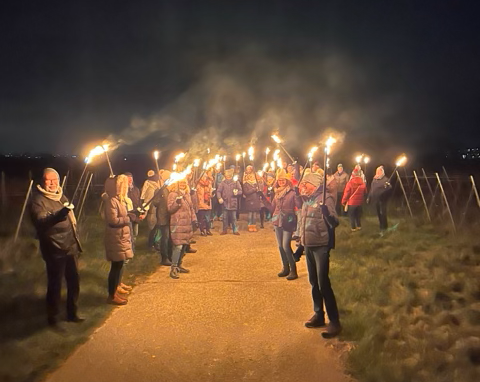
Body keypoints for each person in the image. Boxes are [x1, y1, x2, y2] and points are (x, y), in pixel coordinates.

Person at [30, 168, 83, 329]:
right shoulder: (38, 200)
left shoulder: (61, 196)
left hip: (70, 246)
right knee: (55, 284)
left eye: (55, 180)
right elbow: (42, 221)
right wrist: (61, 213)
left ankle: (72, 313)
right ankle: (53, 318)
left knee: (74, 282)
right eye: (49, 180)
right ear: (43, 181)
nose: (53, 183)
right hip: (54, 248)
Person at [298, 172, 341, 338]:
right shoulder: (307, 200)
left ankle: (335, 322)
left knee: (323, 283)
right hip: (309, 244)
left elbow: (334, 222)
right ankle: (319, 315)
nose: (303, 187)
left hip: (321, 245)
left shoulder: (326, 198)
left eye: (306, 184)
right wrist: (301, 244)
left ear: (314, 184)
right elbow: (303, 223)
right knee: (314, 282)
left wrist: (327, 213)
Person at [103, 174, 138, 305]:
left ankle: (115, 290)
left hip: (120, 237)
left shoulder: (118, 200)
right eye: (123, 184)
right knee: (115, 266)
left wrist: (131, 214)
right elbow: (112, 220)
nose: (126, 187)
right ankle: (111, 295)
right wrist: (128, 219)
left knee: (118, 265)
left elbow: (121, 214)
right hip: (115, 237)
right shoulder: (112, 201)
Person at [262, 169, 300, 280]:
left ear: (287, 181)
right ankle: (285, 268)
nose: (281, 182)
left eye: (283, 180)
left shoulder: (292, 193)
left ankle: (293, 270)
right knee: (280, 246)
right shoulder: (277, 193)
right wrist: (263, 199)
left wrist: (298, 195)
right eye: (279, 180)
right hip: (277, 219)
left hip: (288, 219)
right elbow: (272, 208)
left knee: (285, 246)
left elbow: (298, 205)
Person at [167, 177, 198, 279]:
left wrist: (194, 220)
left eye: (184, 183)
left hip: (187, 224)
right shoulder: (173, 194)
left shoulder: (187, 194)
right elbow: (170, 209)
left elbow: (191, 208)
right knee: (178, 246)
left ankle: (179, 264)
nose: (182, 184)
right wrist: (177, 202)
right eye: (180, 183)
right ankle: (174, 268)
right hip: (178, 224)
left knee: (184, 245)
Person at [151, 170, 173, 265]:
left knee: (170, 238)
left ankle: (170, 256)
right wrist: (159, 196)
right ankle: (164, 258)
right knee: (165, 238)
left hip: (169, 217)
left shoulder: (169, 189)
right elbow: (155, 203)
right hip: (162, 217)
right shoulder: (159, 190)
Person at [217, 168, 243, 235]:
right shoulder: (223, 183)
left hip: (233, 202)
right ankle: (224, 230)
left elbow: (240, 191)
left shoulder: (236, 182)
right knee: (225, 218)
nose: (228, 177)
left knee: (234, 218)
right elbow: (218, 191)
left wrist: (237, 193)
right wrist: (219, 198)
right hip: (225, 202)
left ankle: (235, 230)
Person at [367, 166, 392, 232]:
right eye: (376, 171)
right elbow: (372, 189)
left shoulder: (386, 179)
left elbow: (389, 188)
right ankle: (381, 226)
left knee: (383, 213)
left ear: (382, 172)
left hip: (382, 200)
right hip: (376, 199)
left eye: (378, 171)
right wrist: (369, 197)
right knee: (378, 213)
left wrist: (387, 186)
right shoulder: (375, 179)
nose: (377, 172)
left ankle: (385, 227)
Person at [342, 167, 367, 232]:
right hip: (359, 203)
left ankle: (353, 228)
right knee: (358, 215)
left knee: (351, 215)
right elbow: (365, 193)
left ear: (352, 175)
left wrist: (343, 201)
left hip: (352, 203)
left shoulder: (350, 183)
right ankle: (359, 226)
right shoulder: (363, 184)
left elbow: (346, 193)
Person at [140, 170, 160, 250]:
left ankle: (155, 243)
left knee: (157, 227)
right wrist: (144, 211)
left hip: (157, 207)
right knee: (152, 227)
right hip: (150, 207)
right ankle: (150, 244)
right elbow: (145, 196)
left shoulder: (158, 184)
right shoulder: (148, 184)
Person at [243, 165, 262, 232]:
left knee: (254, 215)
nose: (251, 177)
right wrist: (254, 190)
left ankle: (254, 225)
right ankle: (249, 225)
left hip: (255, 200)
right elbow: (246, 192)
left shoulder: (255, 183)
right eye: (250, 176)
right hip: (249, 200)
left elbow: (259, 190)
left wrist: (258, 190)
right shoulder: (246, 184)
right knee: (250, 214)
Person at [124, 172, 141, 245]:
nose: (130, 179)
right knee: (129, 231)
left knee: (135, 232)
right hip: (128, 213)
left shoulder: (136, 189)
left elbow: (139, 200)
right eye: (128, 178)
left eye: (131, 177)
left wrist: (140, 211)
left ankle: (133, 244)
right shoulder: (123, 190)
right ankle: (129, 245)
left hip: (136, 212)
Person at [196, 172, 213, 236]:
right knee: (201, 218)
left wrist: (211, 194)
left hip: (207, 202)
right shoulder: (198, 184)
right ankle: (202, 230)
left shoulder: (209, 184)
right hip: (201, 203)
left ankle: (208, 230)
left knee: (208, 219)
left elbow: (210, 191)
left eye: (205, 177)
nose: (204, 178)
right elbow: (197, 193)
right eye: (203, 177)